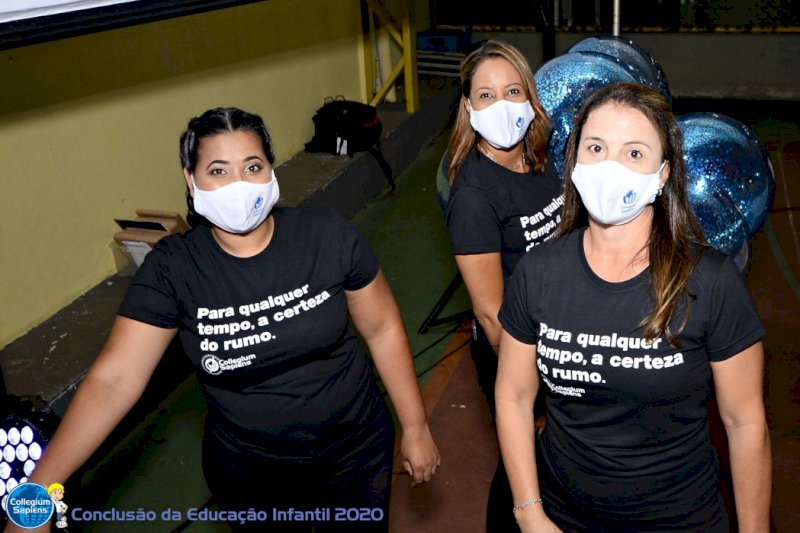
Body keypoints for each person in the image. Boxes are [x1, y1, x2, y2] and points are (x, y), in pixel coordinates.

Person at [8, 107, 439, 533]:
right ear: (190, 179)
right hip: (251, 475)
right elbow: (113, 380)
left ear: (271, 170)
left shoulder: (325, 235)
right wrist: (39, 490)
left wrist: (415, 426)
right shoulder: (174, 269)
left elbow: (382, 328)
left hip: (354, 454)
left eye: (253, 166)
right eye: (218, 170)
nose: (239, 183)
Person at [496, 82, 771, 532]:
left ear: (663, 175)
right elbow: (513, 395)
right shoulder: (539, 272)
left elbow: (744, 422)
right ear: (575, 159)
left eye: (635, 153)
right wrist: (530, 515)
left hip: (680, 520)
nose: (610, 167)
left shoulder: (710, 282)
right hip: (563, 518)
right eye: (597, 147)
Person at [444, 40, 563, 531]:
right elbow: (492, 312)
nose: (503, 106)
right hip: (518, 354)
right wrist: (530, 390)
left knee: (553, 465)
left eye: (513, 90)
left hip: (558, 338)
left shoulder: (538, 160)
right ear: (468, 108)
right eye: (487, 96)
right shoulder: (473, 194)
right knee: (526, 471)